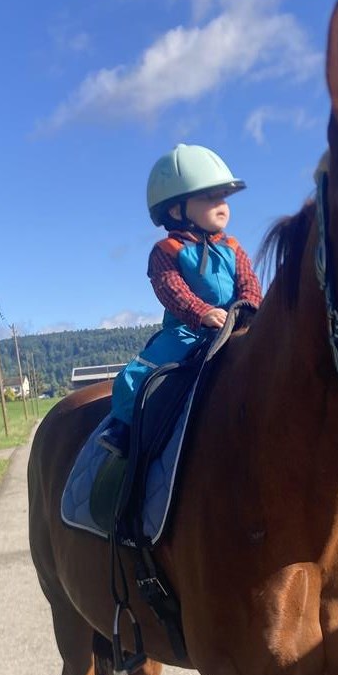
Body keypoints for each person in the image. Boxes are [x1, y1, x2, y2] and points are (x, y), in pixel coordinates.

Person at [98, 144, 263, 457]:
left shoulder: (233, 247)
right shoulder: (167, 250)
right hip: (188, 331)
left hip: (235, 325)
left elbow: (248, 281)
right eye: (209, 197)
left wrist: (251, 309)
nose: (222, 205)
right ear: (176, 210)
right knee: (141, 372)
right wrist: (200, 312)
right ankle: (122, 428)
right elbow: (170, 288)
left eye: (223, 197)